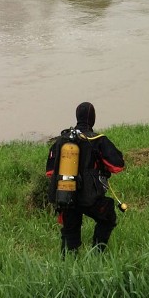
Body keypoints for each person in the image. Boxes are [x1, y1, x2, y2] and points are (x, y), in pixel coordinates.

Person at [45, 101, 125, 257]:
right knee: (108, 217)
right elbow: (117, 166)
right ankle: (97, 254)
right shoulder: (98, 140)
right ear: (92, 118)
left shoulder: (62, 140)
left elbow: (50, 172)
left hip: (65, 195)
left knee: (70, 230)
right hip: (90, 198)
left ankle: (68, 263)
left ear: (77, 117)